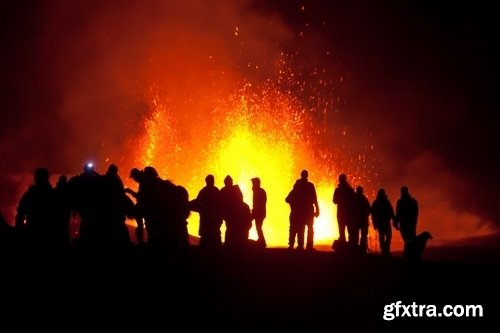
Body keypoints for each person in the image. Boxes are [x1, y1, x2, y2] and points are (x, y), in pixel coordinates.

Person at [288, 170, 319, 250]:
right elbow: (314, 199)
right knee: (309, 228)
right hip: (308, 210)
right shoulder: (310, 185)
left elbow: (288, 198)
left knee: (301, 227)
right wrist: (317, 209)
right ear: (307, 176)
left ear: (301, 175)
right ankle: (309, 246)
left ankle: (300, 245)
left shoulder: (297, 185)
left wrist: (294, 206)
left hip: (300, 211)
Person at [190, 175, 223, 250]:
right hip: (214, 226)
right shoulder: (216, 191)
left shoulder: (203, 192)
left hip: (206, 226)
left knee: (204, 249)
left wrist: (187, 204)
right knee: (217, 248)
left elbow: (197, 202)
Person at [394, 186, 419, 258]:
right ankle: (412, 255)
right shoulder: (413, 201)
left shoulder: (400, 202)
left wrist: (396, 223)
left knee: (407, 240)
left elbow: (398, 213)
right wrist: (414, 222)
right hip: (410, 224)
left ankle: (407, 255)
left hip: (405, 224)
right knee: (411, 240)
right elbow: (416, 213)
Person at [370, 188, 395, 256]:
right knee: (388, 236)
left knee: (383, 237)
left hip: (380, 224)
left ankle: (384, 251)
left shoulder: (375, 203)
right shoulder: (386, 202)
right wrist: (394, 220)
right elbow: (391, 211)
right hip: (385, 223)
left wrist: (375, 224)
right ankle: (386, 250)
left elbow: (373, 215)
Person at [332, 174, 355, 244]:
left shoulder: (338, 190)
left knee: (341, 229)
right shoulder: (350, 190)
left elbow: (334, 201)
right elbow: (354, 200)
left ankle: (342, 243)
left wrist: (340, 200)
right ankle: (351, 245)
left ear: (340, 180)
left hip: (341, 213)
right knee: (350, 230)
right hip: (349, 213)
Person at [353, 186, 371, 253]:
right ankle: (362, 248)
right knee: (363, 235)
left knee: (355, 234)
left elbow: (350, 209)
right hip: (363, 220)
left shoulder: (353, 199)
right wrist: (366, 214)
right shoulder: (364, 199)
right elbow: (369, 209)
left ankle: (355, 248)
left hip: (356, 220)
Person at [251, 177, 267, 248]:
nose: (252, 184)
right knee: (258, 227)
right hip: (260, 212)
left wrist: (255, 211)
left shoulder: (259, 191)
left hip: (259, 213)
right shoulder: (258, 191)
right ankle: (261, 240)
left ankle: (262, 241)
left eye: (253, 183)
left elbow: (259, 203)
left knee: (258, 227)